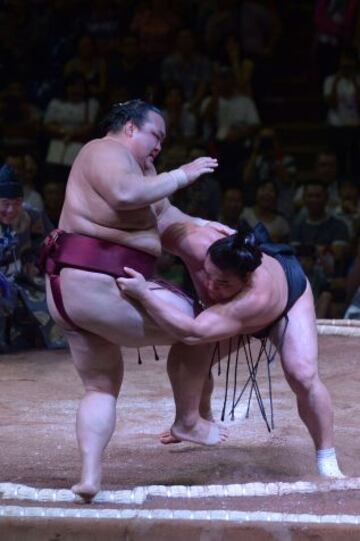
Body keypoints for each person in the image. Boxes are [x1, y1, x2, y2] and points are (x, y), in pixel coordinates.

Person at [41, 99, 228, 500]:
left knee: (100, 388)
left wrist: (198, 223)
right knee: (200, 327)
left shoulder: (141, 168)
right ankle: (189, 421)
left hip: (76, 290)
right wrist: (183, 173)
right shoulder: (104, 151)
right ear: (130, 128)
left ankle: (89, 477)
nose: (159, 145)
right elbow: (126, 195)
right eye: (154, 135)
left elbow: (160, 210)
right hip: (101, 283)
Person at [118, 221, 344, 479]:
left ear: (245, 279)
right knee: (188, 353)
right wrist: (202, 223)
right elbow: (164, 216)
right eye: (208, 274)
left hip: (286, 304)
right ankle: (194, 419)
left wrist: (145, 293)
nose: (212, 287)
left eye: (223, 283)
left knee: (302, 375)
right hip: (234, 312)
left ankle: (327, 458)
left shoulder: (253, 298)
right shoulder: (200, 244)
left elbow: (193, 331)